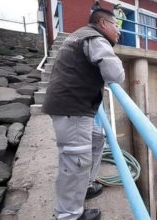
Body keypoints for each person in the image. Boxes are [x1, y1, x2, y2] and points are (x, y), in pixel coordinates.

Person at [42, 8, 125, 220]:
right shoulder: (95, 39)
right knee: (76, 160)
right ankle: (69, 214)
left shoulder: (78, 35)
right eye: (116, 25)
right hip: (73, 108)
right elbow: (116, 74)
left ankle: (86, 184)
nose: (118, 31)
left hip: (71, 105)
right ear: (104, 24)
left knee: (97, 139)